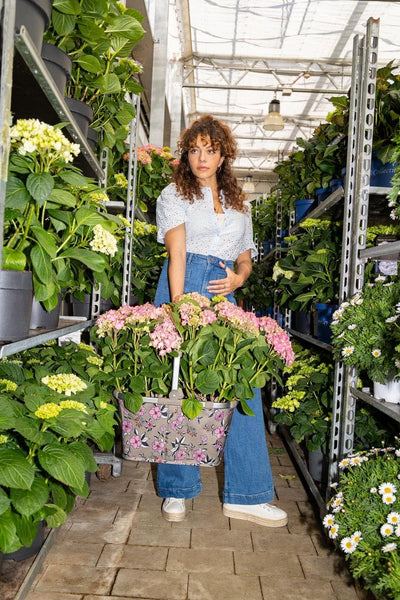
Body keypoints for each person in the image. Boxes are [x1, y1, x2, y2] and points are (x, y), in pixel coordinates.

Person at [154, 114, 287, 528]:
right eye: (194, 150)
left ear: (223, 154)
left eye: (210, 150)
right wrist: (178, 311)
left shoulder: (238, 204)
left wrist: (237, 277)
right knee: (178, 384)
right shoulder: (174, 194)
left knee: (242, 389)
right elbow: (176, 255)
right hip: (186, 281)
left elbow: (245, 258)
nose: (201, 158)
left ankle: (247, 494)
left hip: (225, 292)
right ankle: (177, 489)